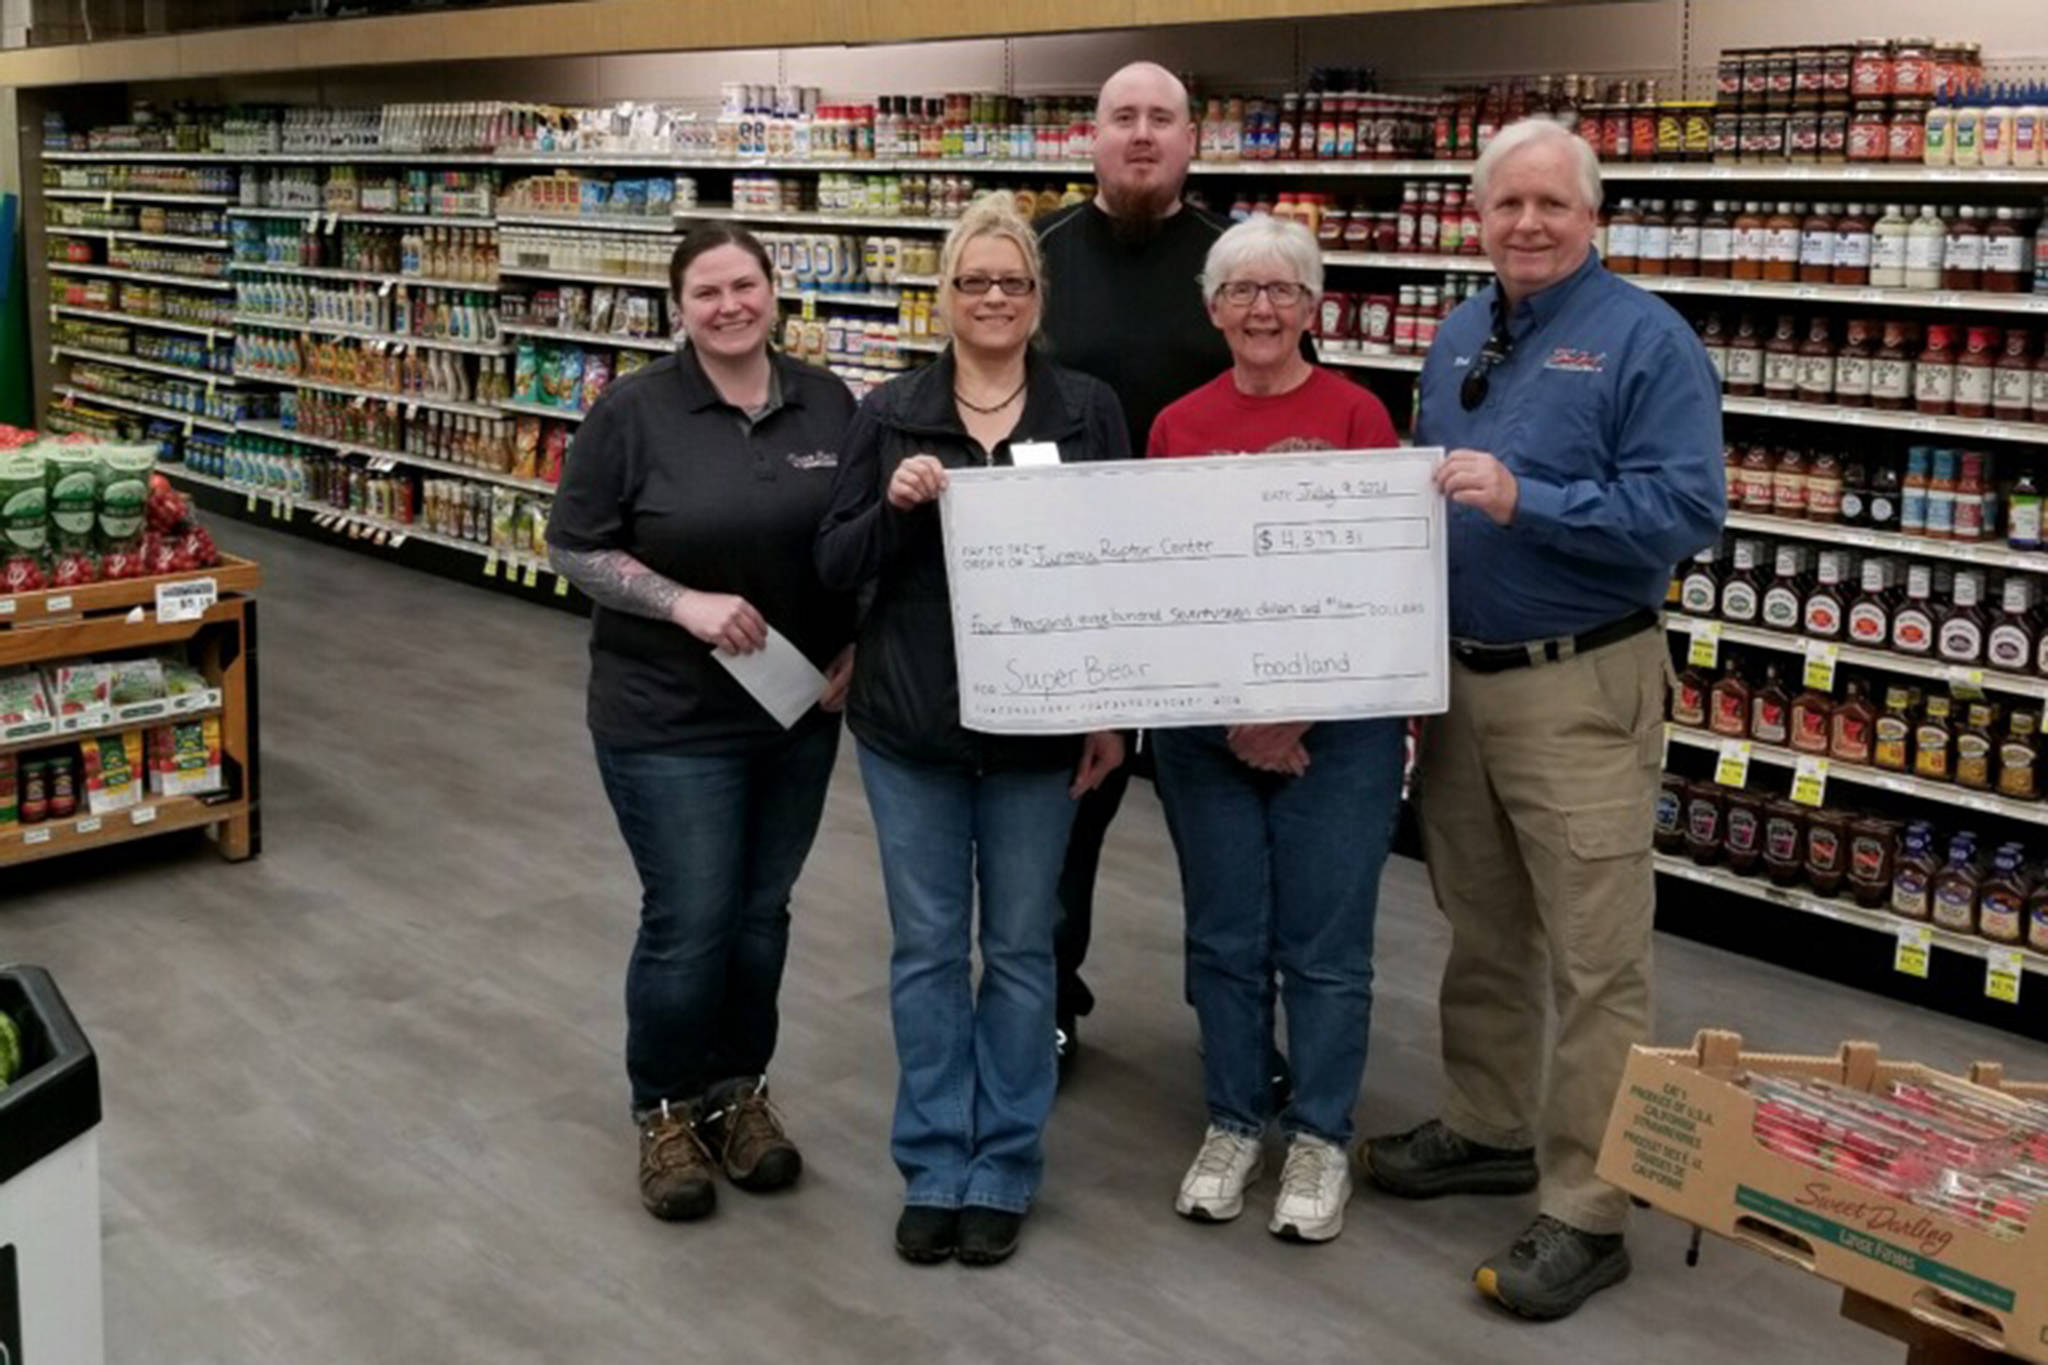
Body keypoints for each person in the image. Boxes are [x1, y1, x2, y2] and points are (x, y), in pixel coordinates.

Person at [1360, 118, 1725, 1318]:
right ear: (1474, 216)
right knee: (1481, 923)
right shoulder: (1462, 328)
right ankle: (1488, 1126)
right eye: (1504, 204)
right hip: (1459, 682)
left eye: (1549, 206)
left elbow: (1681, 510)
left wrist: (1531, 499)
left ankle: (1587, 1203)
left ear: (1590, 215)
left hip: (1581, 680)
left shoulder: (1644, 339)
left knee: (1594, 954)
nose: (1526, 224)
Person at [815, 194, 1129, 1267]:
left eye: (1012, 283)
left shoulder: (1087, 410)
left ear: (1037, 302)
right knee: (924, 950)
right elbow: (833, 561)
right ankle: (933, 1159)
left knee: (1022, 948)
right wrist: (891, 506)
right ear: (943, 297)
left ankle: (1003, 1163)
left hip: (1040, 730)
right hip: (911, 722)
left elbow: (1113, 567)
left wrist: (1108, 707)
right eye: (973, 281)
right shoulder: (890, 410)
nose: (992, 298)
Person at [546, 223, 858, 1225]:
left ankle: (738, 1093)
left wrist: (852, 645)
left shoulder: (827, 400)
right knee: (690, 921)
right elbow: (574, 548)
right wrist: (681, 602)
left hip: (796, 710)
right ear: (679, 309)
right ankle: (666, 1109)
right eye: (706, 293)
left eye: (743, 287)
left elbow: (851, 543)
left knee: (761, 914)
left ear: (775, 292)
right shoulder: (633, 413)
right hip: (666, 717)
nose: (728, 307)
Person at [1144, 216, 1404, 1244]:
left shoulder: (1358, 415)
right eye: (1242, 292)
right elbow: (1157, 584)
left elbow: (1379, 576)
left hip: (1335, 730)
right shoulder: (1173, 424)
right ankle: (1232, 1118)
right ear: (1212, 311)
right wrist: (1230, 713)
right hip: (1203, 729)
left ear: (1312, 308)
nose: (1261, 309)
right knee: (1222, 936)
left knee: (1325, 947)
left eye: (1282, 291)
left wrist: (1293, 705)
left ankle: (1320, 1135)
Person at [1035, 60, 1234, 1074]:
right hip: (1077, 588)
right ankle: (1050, 1004)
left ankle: (1233, 1030)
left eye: (1162, 118)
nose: (1142, 134)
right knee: (1069, 811)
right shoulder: (1038, 256)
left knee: (1222, 823)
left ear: (1193, 141)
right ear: (1092, 138)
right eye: (1123, 118)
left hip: (1207, 588)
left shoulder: (1233, 260)